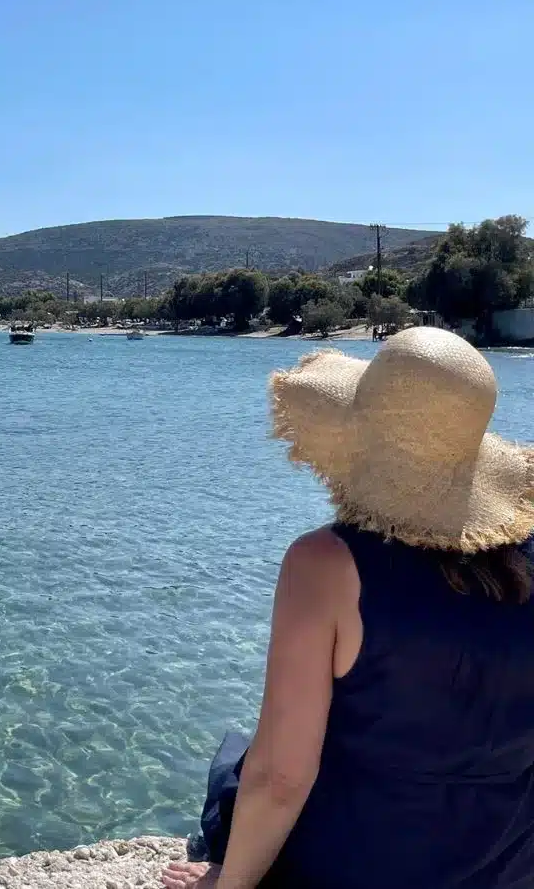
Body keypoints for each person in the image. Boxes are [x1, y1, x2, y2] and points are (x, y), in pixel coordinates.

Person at [162, 327, 534, 889]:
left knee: (239, 769)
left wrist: (227, 884)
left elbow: (281, 777)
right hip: (505, 863)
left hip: (356, 863)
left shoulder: (326, 565)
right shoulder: (525, 556)